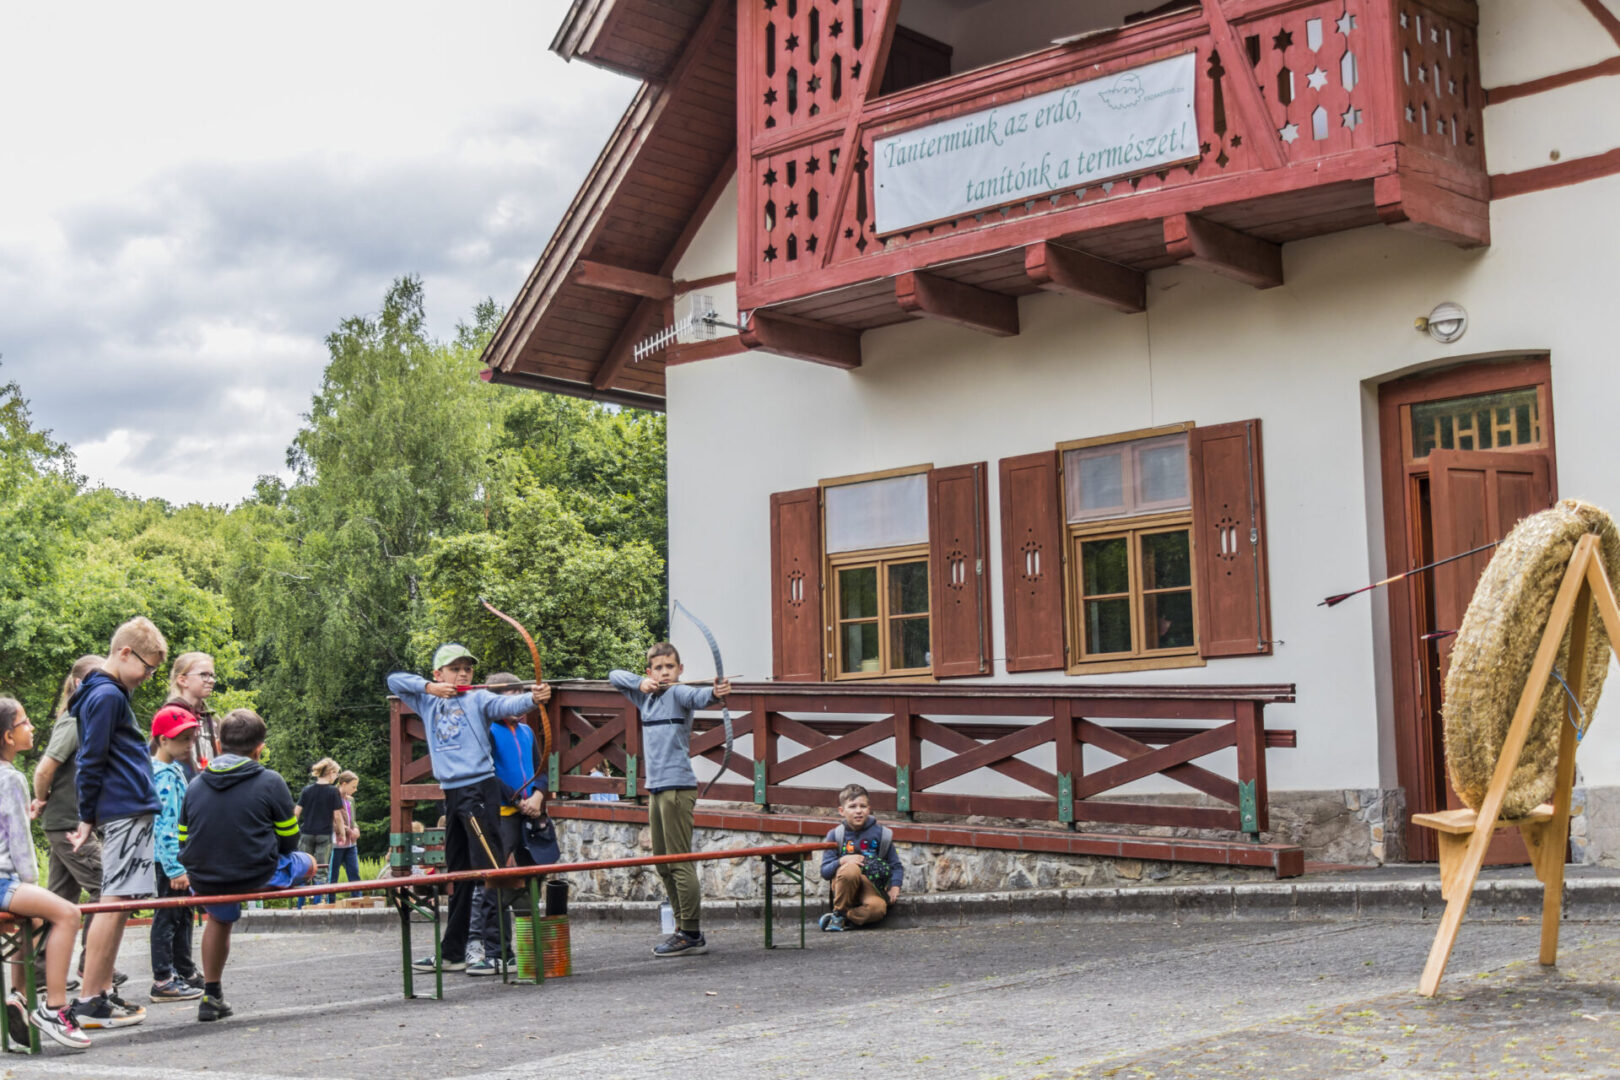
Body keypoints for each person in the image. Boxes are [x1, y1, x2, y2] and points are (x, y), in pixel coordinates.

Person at [386, 644, 551, 974]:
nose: (463, 674)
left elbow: (508, 702)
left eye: (468, 669)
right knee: (459, 873)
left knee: (489, 871)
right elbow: (394, 680)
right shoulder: (427, 699)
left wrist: (534, 697)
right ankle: (454, 952)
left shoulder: (478, 698)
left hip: (479, 790)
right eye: (455, 668)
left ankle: (499, 952)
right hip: (452, 792)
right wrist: (429, 688)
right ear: (438, 674)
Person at [179, 709, 315, 1022]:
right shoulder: (270, 780)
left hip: (206, 879)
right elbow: (290, 840)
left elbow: (184, 839)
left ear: (217, 743)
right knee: (307, 861)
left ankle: (211, 995)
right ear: (260, 748)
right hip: (258, 874)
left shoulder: (195, 785)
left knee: (219, 916)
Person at [67, 616, 169, 1031]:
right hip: (122, 806)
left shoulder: (106, 692)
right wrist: (86, 816)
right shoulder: (107, 695)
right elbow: (90, 758)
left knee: (121, 900)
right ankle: (90, 1000)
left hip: (127, 806)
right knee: (113, 901)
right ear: (124, 653)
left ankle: (102, 990)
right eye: (147, 667)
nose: (148, 676)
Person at [609, 643, 730, 957]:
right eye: (659, 668)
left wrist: (716, 693)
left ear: (680, 670)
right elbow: (614, 675)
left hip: (677, 788)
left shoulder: (679, 693)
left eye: (670, 667)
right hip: (657, 788)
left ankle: (690, 931)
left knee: (678, 860)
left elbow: (699, 697)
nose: (665, 673)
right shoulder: (644, 695)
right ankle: (681, 927)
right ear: (650, 671)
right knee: (662, 862)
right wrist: (639, 682)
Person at [0, 698, 91, 1049]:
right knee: (67, 912)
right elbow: (20, 845)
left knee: (35, 924)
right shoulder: (11, 778)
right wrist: (33, 888)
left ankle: (19, 997)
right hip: (5, 880)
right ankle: (55, 1008)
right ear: (9, 736)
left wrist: (27, 813)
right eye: (25, 722)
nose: (32, 727)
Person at [30, 655, 107, 991]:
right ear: (79, 684)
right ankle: (92, 965)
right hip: (68, 823)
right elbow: (45, 768)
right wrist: (42, 797)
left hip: (69, 821)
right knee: (108, 888)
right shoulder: (74, 720)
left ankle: (42, 975)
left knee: (60, 898)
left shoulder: (87, 717)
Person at [469, 673, 550, 975]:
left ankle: (529, 947)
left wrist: (539, 796)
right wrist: (518, 801)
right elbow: (489, 774)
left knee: (530, 880)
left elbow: (541, 767)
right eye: (510, 696)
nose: (518, 702)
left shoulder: (527, 731)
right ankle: (497, 951)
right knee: (497, 884)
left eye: (521, 695)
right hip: (501, 815)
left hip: (530, 814)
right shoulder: (487, 730)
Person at [148, 705, 203, 1001]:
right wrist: (174, 868)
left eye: (191, 738)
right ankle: (163, 978)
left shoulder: (173, 771)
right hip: (168, 861)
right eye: (182, 739)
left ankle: (185, 970)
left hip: (178, 859)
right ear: (162, 740)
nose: (187, 745)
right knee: (168, 917)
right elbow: (165, 825)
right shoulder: (164, 776)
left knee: (183, 914)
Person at [818, 784, 903, 931]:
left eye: (863, 806)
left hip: (870, 885)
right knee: (851, 869)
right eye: (852, 806)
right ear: (841, 811)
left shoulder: (882, 834)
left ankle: (844, 917)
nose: (858, 811)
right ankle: (838, 912)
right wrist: (842, 860)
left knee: (878, 909)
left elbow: (896, 865)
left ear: (869, 808)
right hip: (844, 884)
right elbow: (825, 872)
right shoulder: (835, 835)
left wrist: (895, 886)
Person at [293, 759, 343, 907]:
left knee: (303, 870)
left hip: (306, 833)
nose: (337, 777)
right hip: (324, 835)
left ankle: (300, 906)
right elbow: (338, 815)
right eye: (337, 773)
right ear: (330, 773)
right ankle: (317, 906)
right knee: (321, 870)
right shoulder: (333, 791)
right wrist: (342, 833)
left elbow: (296, 813)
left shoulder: (307, 790)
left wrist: (290, 832)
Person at [158, 653, 219, 772]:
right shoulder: (169, 717)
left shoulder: (213, 720)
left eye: (212, 675)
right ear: (182, 680)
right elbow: (155, 764)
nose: (211, 680)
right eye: (204, 675)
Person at [328, 771, 361, 898]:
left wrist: (356, 829)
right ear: (343, 784)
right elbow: (328, 821)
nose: (355, 789)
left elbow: (353, 821)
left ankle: (358, 902)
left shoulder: (351, 800)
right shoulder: (331, 798)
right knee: (333, 877)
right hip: (336, 844)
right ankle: (331, 903)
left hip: (351, 844)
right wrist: (345, 829)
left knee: (354, 874)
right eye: (353, 786)